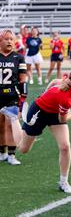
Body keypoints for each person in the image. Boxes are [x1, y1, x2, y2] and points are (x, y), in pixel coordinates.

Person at [0, 67, 71, 193]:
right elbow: (64, 119)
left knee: (65, 146)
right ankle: (14, 117)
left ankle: (64, 182)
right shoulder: (65, 97)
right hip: (39, 112)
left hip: (55, 113)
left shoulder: (67, 82)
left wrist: (45, 93)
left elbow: (53, 81)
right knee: (23, 148)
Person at [0, 29, 27, 165]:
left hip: (12, 95)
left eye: (11, 39)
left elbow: (23, 79)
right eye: (6, 39)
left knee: (10, 124)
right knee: (0, 125)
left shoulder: (18, 57)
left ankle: (11, 155)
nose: (9, 41)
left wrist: (23, 99)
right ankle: (2, 153)